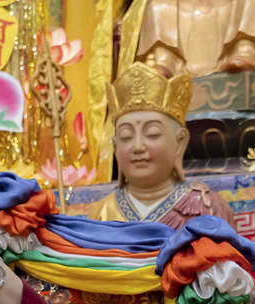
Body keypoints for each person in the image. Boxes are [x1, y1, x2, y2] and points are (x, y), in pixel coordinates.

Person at [89, 61, 234, 227]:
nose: (138, 147)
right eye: (126, 136)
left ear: (180, 142)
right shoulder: (101, 214)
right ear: (115, 147)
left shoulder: (207, 208)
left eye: (152, 133)